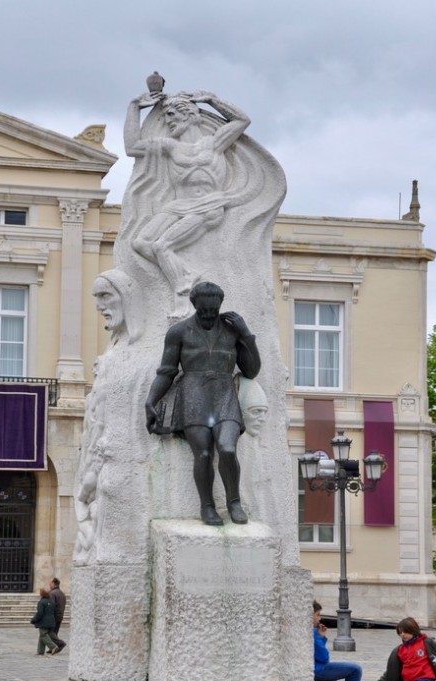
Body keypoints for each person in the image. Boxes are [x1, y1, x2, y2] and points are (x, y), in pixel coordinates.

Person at [124, 90, 250, 315]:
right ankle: (186, 273)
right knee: (141, 243)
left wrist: (212, 99)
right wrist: (134, 107)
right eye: (166, 117)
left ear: (190, 115)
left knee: (162, 246)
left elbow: (242, 120)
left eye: (172, 115)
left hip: (207, 205)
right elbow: (132, 147)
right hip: (178, 205)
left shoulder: (213, 144)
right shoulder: (170, 147)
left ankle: (182, 293)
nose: (168, 121)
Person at [145, 281, 260, 525]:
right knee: (204, 453)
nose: (209, 315)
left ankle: (234, 502)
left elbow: (251, 370)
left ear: (219, 306)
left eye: (213, 310)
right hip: (193, 396)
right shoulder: (178, 332)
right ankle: (207, 507)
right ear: (195, 306)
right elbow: (166, 371)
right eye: (203, 311)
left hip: (224, 395)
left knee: (227, 448)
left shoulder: (231, 331)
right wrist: (151, 400)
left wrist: (246, 335)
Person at [313, 601, 362, 681]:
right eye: (317, 615)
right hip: (315, 669)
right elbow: (324, 658)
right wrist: (320, 637)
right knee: (356, 669)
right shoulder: (312, 632)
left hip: (312, 667)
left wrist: (321, 637)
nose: (320, 618)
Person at [30, 587, 58, 656]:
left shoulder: (41, 602)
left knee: (43, 635)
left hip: (44, 622)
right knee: (42, 635)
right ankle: (40, 651)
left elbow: (39, 613)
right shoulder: (52, 601)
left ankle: (53, 646)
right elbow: (55, 612)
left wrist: (33, 620)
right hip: (51, 621)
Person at [48, 577, 67, 654]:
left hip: (54, 616)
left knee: (49, 632)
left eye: (50, 583)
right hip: (60, 615)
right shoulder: (61, 593)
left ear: (53, 583)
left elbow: (51, 606)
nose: (49, 584)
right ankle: (53, 648)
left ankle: (60, 644)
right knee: (55, 632)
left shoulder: (53, 593)